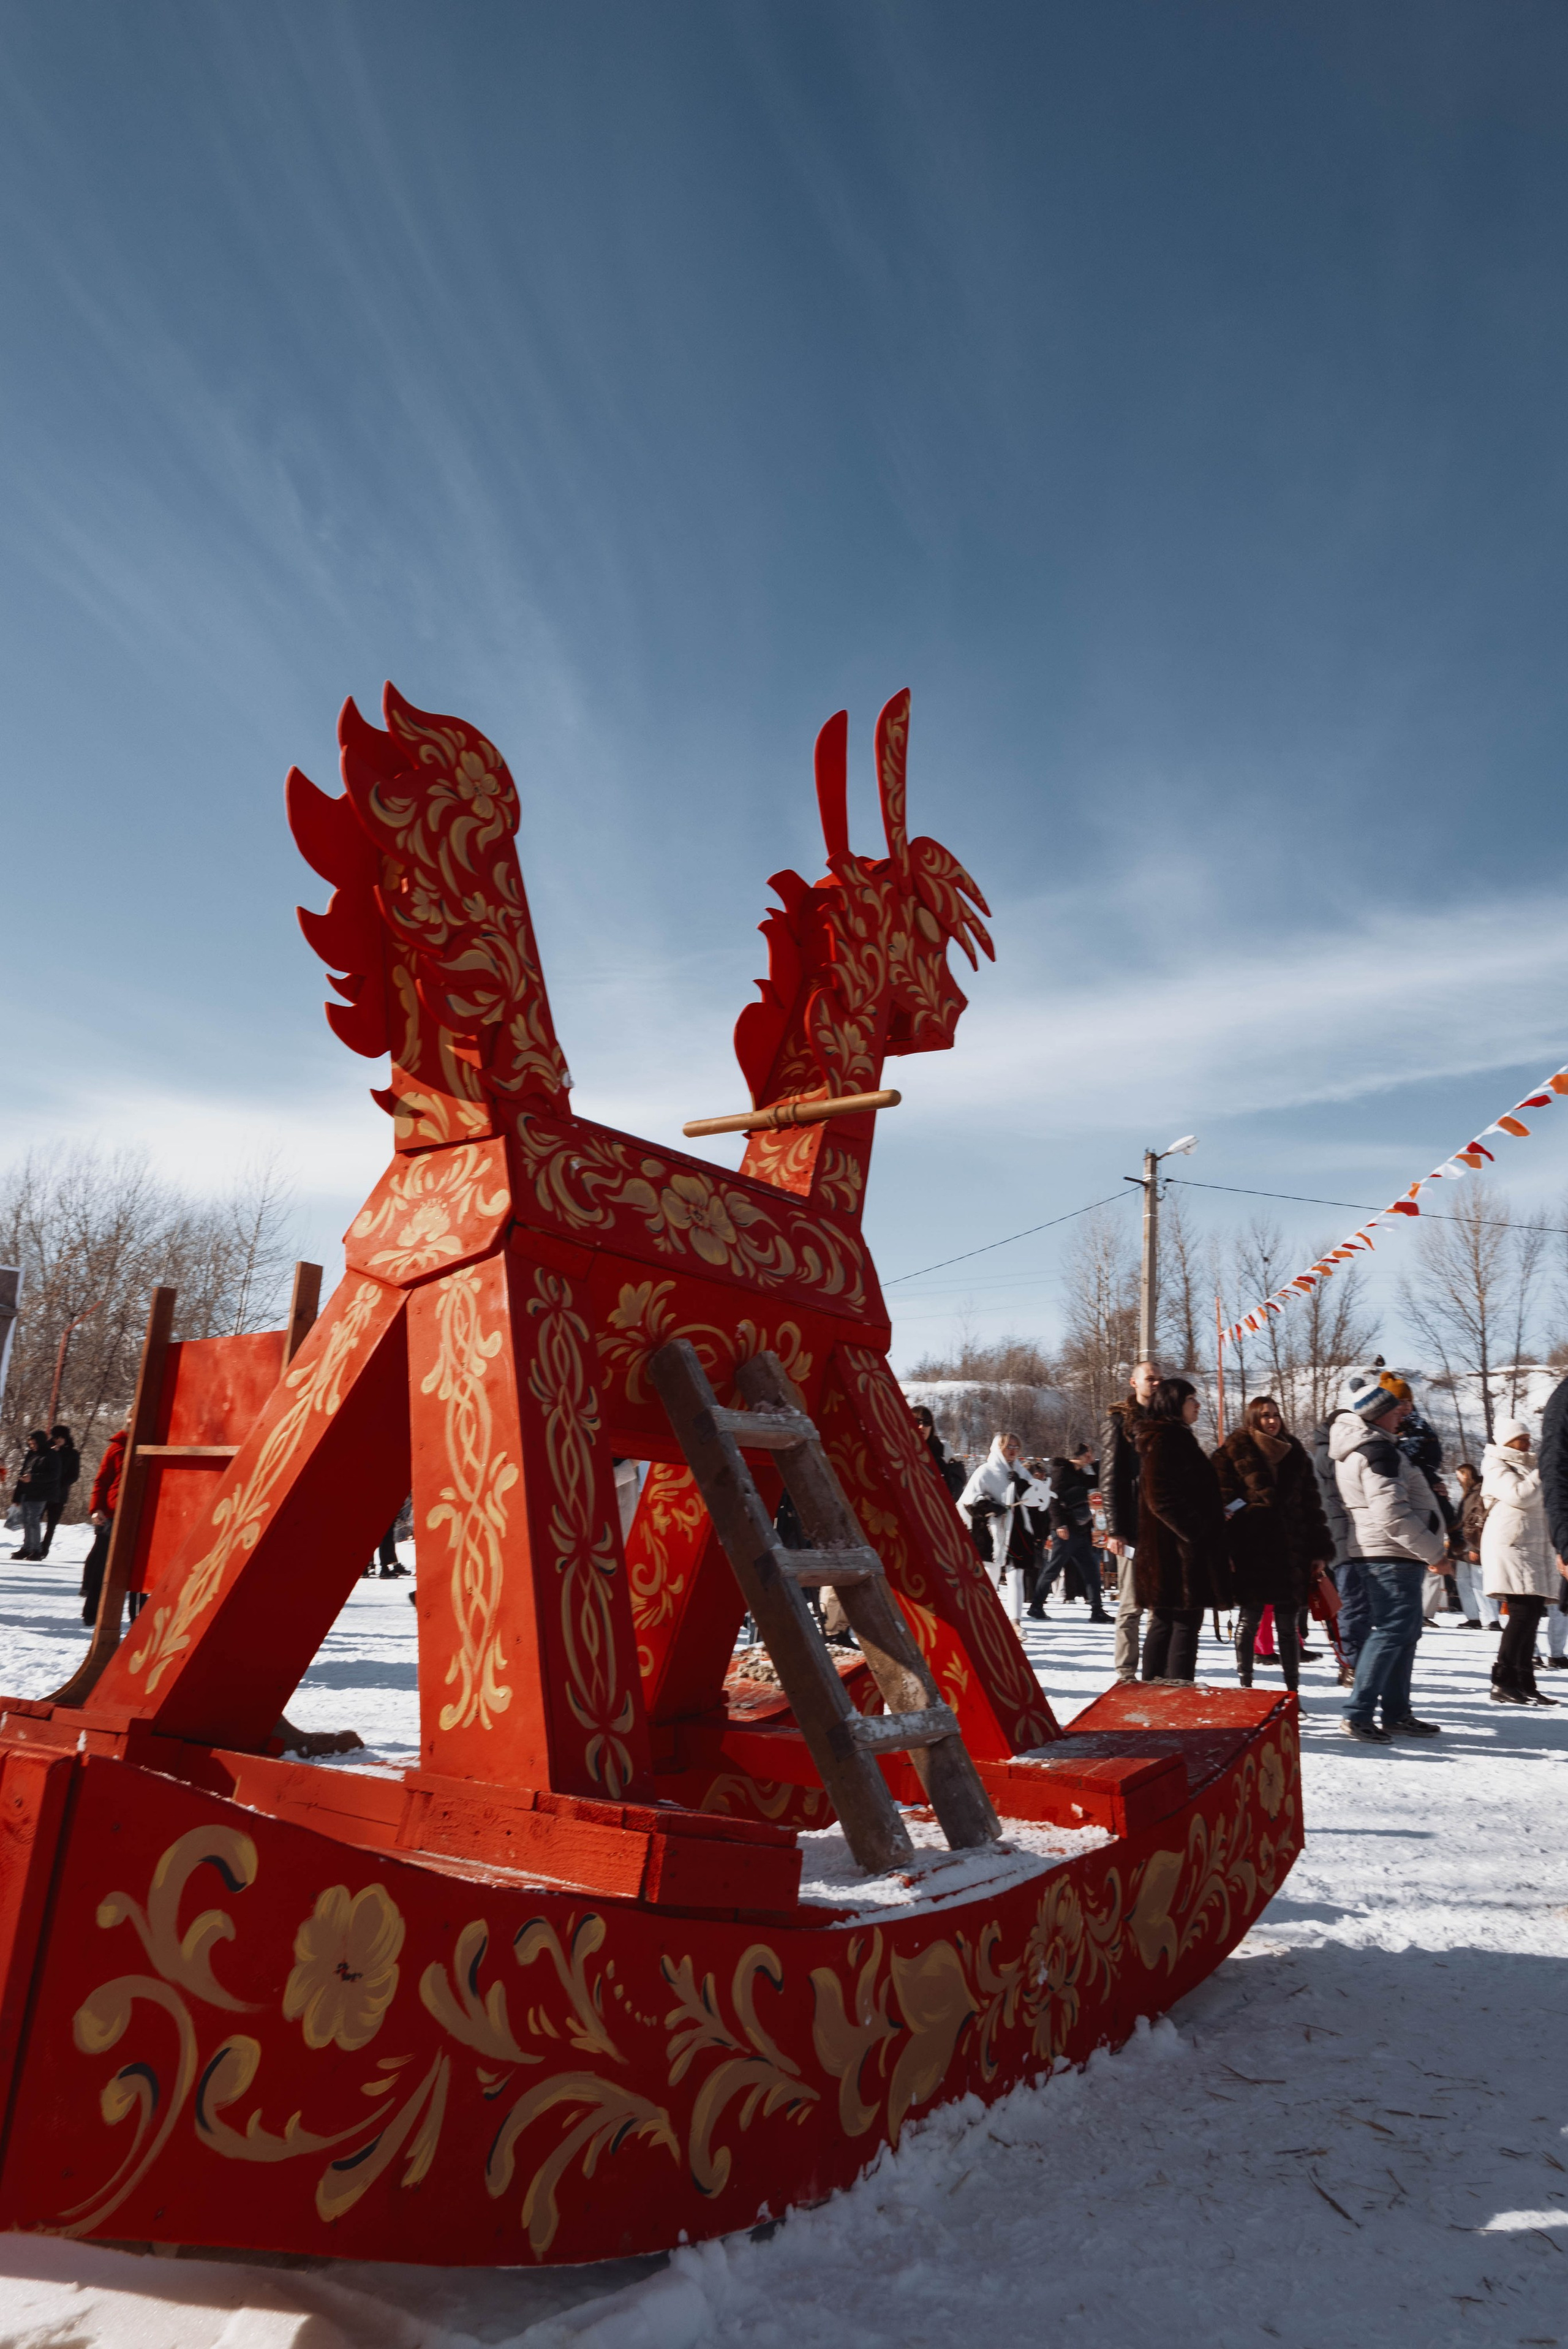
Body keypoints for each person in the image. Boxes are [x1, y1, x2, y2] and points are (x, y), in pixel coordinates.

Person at [1330, 1370, 1447, 1743]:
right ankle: (1358, 1713)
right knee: (1394, 1630)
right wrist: (1434, 1551)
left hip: (1389, 1552)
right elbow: (1391, 1514)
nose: (1401, 1415)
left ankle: (1396, 1712)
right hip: (1390, 1553)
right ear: (1379, 1413)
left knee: (1404, 1632)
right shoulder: (1378, 1451)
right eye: (1395, 1410)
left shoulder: (1374, 1446)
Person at [1213, 1396, 1332, 1694]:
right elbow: (1219, 1508)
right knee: (1249, 1620)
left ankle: (1293, 1693)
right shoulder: (1231, 1454)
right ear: (1253, 1419)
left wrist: (1318, 1551)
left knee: (1289, 1627)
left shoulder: (1296, 1454)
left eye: (1276, 1415)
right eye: (1265, 1415)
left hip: (1292, 1551)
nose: (1272, 1421)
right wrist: (1224, 1550)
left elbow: (1312, 1508)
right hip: (1251, 1550)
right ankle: (1247, 1689)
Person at [1133, 1377, 1228, 1683]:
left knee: (1167, 1622)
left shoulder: (1174, 1437)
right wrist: (1198, 1530)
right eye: (1192, 1399)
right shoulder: (1166, 1440)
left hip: (1170, 1551)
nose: (1198, 1405)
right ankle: (1174, 1696)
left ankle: (1156, 1695)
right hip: (1176, 1553)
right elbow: (1159, 1497)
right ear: (1175, 1403)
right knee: (1182, 1624)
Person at [1479, 1418, 1558, 1706]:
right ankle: (1502, 1680)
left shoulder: (1529, 1466)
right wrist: (1541, 1472)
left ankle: (1525, 1682)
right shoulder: (1496, 1465)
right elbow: (1520, 1495)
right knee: (1522, 1614)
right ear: (1507, 1442)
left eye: (1528, 1438)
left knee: (1533, 1614)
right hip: (1510, 1546)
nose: (1527, 1443)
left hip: (1533, 1546)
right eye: (1521, 1439)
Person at [1101, 1359, 1160, 1683]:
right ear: (1133, 1382)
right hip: (1132, 1528)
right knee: (1131, 1603)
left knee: (1158, 1605)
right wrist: (1115, 1530)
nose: (1156, 1384)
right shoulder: (1119, 1422)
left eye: (1160, 1379)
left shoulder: (1166, 1420)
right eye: (1150, 1378)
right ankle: (1126, 1672)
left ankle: (1153, 1670)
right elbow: (1109, 1479)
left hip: (1160, 1527)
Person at [1312, 1396, 1366, 1686]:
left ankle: (1351, 1662)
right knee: (1349, 1607)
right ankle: (1351, 1664)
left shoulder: (1330, 1453)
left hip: (1341, 1538)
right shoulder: (1329, 1456)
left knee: (1347, 1607)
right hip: (1341, 1539)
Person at [959, 1433, 1037, 1619]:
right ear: (998, 1447)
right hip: (990, 1533)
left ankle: (1016, 1622)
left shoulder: (1022, 1472)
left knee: (1016, 1576)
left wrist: (1021, 1484)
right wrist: (988, 1505)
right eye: (1009, 1446)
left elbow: (1034, 1499)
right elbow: (968, 1501)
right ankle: (982, 1618)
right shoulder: (986, 1471)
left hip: (1017, 1532)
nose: (1013, 1451)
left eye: (1016, 1447)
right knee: (990, 1577)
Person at [1039, 1443, 1110, 1620]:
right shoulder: (1061, 1471)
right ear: (1080, 1455)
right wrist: (1059, 1525)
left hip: (1081, 1531)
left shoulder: (1081, 1473)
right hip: (1065, 1531)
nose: (1090, 1457)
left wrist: (1097, 1464)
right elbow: (1053, 1500)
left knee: (1092, 1570)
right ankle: (1036, 1606)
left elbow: (1099, 1480)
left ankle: (1097, 1611)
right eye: (1088, 1454)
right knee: (1053, 1569)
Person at [79, 1427, 128, 1626]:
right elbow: (102, 1480)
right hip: (113, 1513)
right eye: (130, 1418)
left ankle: (138, 1616)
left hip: (140, 1512)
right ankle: (92, 1612)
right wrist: (96, 1508)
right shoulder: (117, 1448)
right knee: (103, 1563)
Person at [1451, 1461, 1496, 1629]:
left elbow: (1479, 1521)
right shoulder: (1468, 1494)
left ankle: (1492, 1619)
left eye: (1459, 1476)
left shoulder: (1479, 1493)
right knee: (1463, 1581)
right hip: (1462, 1545)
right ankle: (1473, 1617)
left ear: (1466, 1474)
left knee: (1479, 1581)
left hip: (1474, 1544)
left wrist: (1475, 1547)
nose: (1458, 1479)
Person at [11, 1432, 61, 1563]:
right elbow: (23, 1472)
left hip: (41, 1493)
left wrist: (33, 1478)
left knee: (33, 1520)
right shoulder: (31, 1454)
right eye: (30, 1444)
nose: (32, 1446)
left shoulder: (51, 1455)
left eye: (34, 1444)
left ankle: (37, 1550)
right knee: (25, 1521)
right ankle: (27, 1548)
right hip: (26, 1492)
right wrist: (17, 1496)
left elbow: (53, 1475)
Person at [39, 1424, 81, 1559]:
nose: (59, 1441)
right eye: (56, 1438)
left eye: (62, 1438)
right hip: (43, 1492)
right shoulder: (46, 1451)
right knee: (35, 1520)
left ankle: (44, 1549)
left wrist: (61, 1485)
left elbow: (74, 1475)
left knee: (52, 1524)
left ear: (66, 1438)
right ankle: (32, 1545)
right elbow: (39, 1466)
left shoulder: (73, 1454)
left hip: (59, 1494)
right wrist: (51, 1453)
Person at [910, 1404, 967, 1501]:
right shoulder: (898, 1452)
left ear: (931, 1427)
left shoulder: (941, 1452)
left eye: (927, 1423)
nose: (922, 1427)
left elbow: (955, 1492)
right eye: (917, 1422)